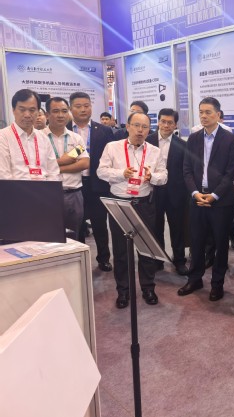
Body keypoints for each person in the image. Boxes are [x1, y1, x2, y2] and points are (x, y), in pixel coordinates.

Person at [97, 111, 167, 308]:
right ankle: (123, 290)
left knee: (146, 250)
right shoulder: (112, 147)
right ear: (127, 126)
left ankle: (148, 288)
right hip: (120, 204)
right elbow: (101, 171)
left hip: (144, 204)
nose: (140, 130)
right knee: (121, 251)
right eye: (136, 125)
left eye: (145, 127)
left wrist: (152, 177)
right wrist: (122, 174)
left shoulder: (155, 151)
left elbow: (164, 176)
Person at [179, 97, 234, 301]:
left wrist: (214, 196)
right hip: (197, 198)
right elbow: (187, 170)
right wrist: (195, 193)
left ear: (218, 114)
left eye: (208, 112)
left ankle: (217, 284)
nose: (203, 116)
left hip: (220, 201)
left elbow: (231, 172)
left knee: (221, 244)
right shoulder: (194, 138)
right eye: (201, 112)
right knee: (196, 242)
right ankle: (195, 279)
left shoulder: (229, 138)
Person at [68, 91, 115, 272]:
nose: (83, 109)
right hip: (74, 183)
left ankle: (103, 258)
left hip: (97, 184)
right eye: (78, 106)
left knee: (99, 223)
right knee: (77, 224)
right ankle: (79, 259)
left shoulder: (104, 130)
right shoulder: (65, 129)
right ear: (71, 108)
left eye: (86, 106)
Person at [146, 108, 189, 276]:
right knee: (155, 227)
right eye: (163, 121)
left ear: (175, 125)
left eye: (170, 122)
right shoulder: (147, 141)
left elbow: (186, 171)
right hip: (153, 191)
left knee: (177, 228)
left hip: (175, 193)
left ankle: (179, 260)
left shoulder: (182, 145)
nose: (165, 125)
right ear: (158, 122)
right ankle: (158, 260)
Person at [44, 97, 90, 238]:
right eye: (55, 111)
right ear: (47, 115)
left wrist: (56, 167)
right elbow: (38, 165)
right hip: (48, 194)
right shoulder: (39, 138)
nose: (61, 115)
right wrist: (63, 161)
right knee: (48, 236)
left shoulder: (76, 138)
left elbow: (84, 163)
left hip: (73, 195)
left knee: (74, 237)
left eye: (64, 111)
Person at [0, 89, 60, 181]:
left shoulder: (43, 138)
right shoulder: (3, 137)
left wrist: (48, 189)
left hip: (44, 189)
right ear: (13, 110)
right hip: (15, 189)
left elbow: (53, 172)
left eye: (32, 110)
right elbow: (4, 175)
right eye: (22, 110)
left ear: (38, 111)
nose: (27, 115)